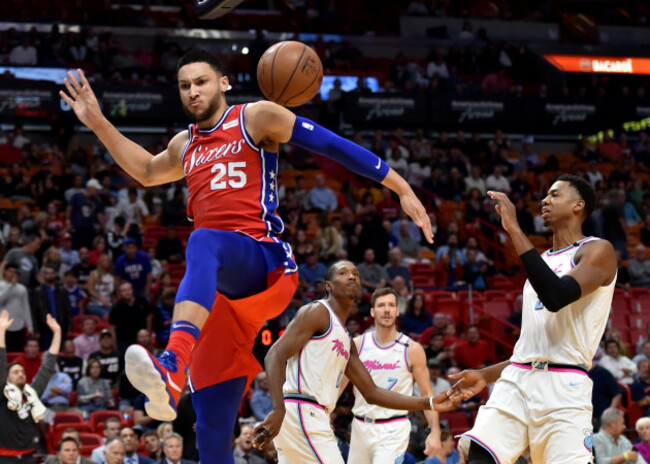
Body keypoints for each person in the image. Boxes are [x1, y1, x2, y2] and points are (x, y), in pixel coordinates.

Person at [61, 49, 432, 463]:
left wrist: (401, 187)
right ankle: (174, 378)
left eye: (201, 82)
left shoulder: (254, 117)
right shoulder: (185, 143)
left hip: (265, 264)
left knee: (203, 241)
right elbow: (147, 171)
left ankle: (172, 363)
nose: (192, 91)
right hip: (223, 297)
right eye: (184, 86)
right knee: (211, 426)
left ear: (223, 83)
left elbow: (331, 144)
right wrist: (98, 122)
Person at [441, 175, 617, 463]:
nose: (544, 200)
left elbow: (556, 296)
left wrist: (513, 229)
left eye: (555, 194)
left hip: (565, 386)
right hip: (517, 379)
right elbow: (533, 349)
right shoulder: (542, 260)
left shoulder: (598, 250)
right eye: (545, 195)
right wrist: (486, 375)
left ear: (578, 205)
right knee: (479, 454)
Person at [253, 261, 442, 462]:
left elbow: (372, 392)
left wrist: (429, 403)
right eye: (343, 273)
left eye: (356, 274)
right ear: (328, 285)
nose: (352, 276)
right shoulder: (317, 311)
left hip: (312, 415)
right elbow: (274, 355)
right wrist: (278, 409)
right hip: (302, 410)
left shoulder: (346, 339)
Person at [339, 287, 441, 462]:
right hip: (360, 427)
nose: (386, 310)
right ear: (372, 311)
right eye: (381, 305)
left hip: (394, 428)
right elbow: (339, 385)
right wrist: (324, 414)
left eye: (391, 305)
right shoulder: (357, 345)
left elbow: (426, 394)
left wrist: (435, 431)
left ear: (397, 311)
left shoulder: (412, 349)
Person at [0, 311, 61, 462]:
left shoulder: (32, 392)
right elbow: (1, 362)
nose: (21, 374)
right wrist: (1, 331)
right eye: (15, 372)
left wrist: (57, 333)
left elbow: (48, 366)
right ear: (7, 378)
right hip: (5, 457)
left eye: (22, 372)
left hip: (29, 456)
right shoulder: (2, 392)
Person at [0, 263, 33, 352]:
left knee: (17, 352)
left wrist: (30, 327)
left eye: (14, 272)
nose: (12, 274)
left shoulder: (22, 288)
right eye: (10, 271)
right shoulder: (1, 285)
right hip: (3, 326)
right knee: (3, 352)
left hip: (19, 325)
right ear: (5, 272)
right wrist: (11, 286)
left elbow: (26, 308)